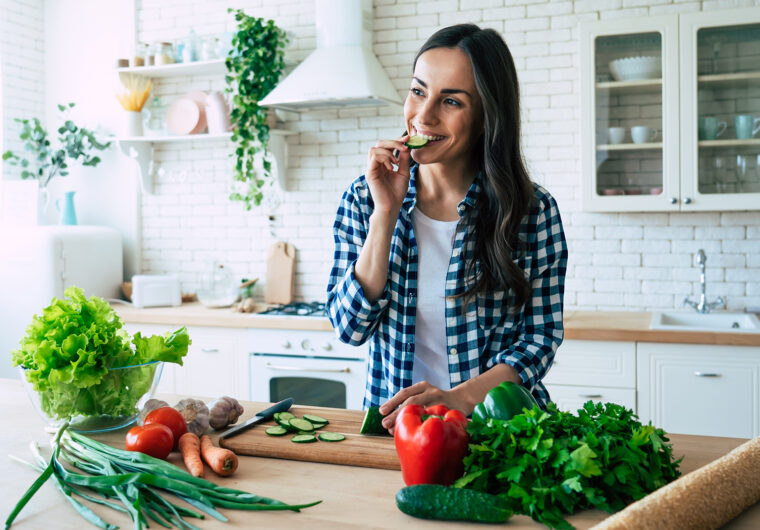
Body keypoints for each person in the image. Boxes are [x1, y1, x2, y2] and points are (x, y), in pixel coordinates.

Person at [326, 24, 568, 432]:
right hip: (396, 432)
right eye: (418, 91)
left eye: (451, 101)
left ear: (486, 117)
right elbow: (349, 327)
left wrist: (459, 400)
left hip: (498, 433)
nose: (423, 115)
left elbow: (539, 341)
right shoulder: (365, 196)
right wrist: (384, 214)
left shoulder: (531, 211)